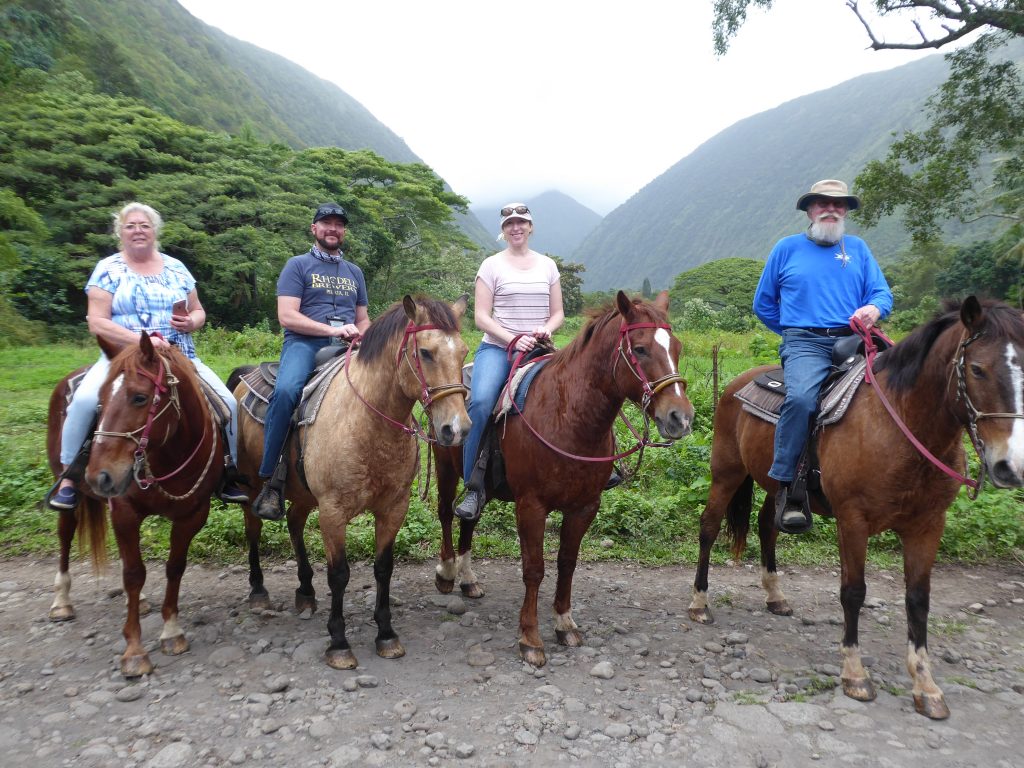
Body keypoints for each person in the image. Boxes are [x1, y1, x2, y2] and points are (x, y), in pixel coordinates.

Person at [49, 202, 246, 510]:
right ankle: (69, 477)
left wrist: (191, 321)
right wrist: (144, 342)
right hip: (122, 357)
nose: (137, 231)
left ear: (155, 231)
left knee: (228, 404)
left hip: (179, 355)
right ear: (120, 233)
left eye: (144, 225)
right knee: (86, 400)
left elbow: (198, 311)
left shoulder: (176, 267)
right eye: (130, 226)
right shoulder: (108, 269)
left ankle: (227, 473)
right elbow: (97, 321)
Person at [752, 179, 893, 533]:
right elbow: (763, 304)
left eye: (839, 204)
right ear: (810, 210)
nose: (831, 209)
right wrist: (794, 331)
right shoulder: (786, 248)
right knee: (800, 400)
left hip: (856, 339)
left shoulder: (858, 249)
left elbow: (882, 294)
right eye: (822, 203)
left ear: (845, 211)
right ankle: (789, 487)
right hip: (805, 343)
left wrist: (873, 310)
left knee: (904, 386)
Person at [252, 202, 370, 521]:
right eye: (326, 223)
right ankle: (271, 480)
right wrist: (330, 329)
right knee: (287, 391)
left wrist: (366, 338)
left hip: (347, 346)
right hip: (305, 343)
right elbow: (287, 316)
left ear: (344, 231)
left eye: (338, 224)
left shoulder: (354, 272)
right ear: (314, 229)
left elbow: (362, 319)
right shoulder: (297, 266)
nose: (332, 228)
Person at [454, 202, 564, 521]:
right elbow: (480, 317)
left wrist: (548, 328)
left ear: (530, 227)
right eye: (509, 224)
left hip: (540, 346)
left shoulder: (547, 266)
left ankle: (598, 466)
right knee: (482, 400)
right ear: (503, 231)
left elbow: (558, 312)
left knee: (581, 385)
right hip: (498, 349)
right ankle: (474, 486)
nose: (516, 228)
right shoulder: (491, 266)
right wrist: (512, 337)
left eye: (521, 222)